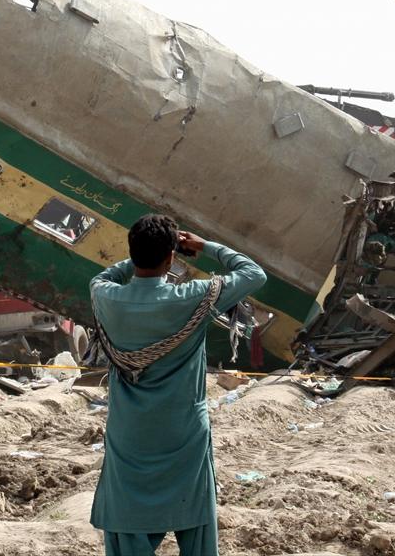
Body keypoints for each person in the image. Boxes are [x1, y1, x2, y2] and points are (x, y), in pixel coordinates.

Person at [89, 215, 265, 556]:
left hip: (130, 436)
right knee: (195, 525)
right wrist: (202, 246)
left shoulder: (106, 297)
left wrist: (144, 252)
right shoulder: (193, 297)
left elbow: (105, 276)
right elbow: (253, 274)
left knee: (128, 524)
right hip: (184, 434)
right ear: (171, 258)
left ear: (133, 251)